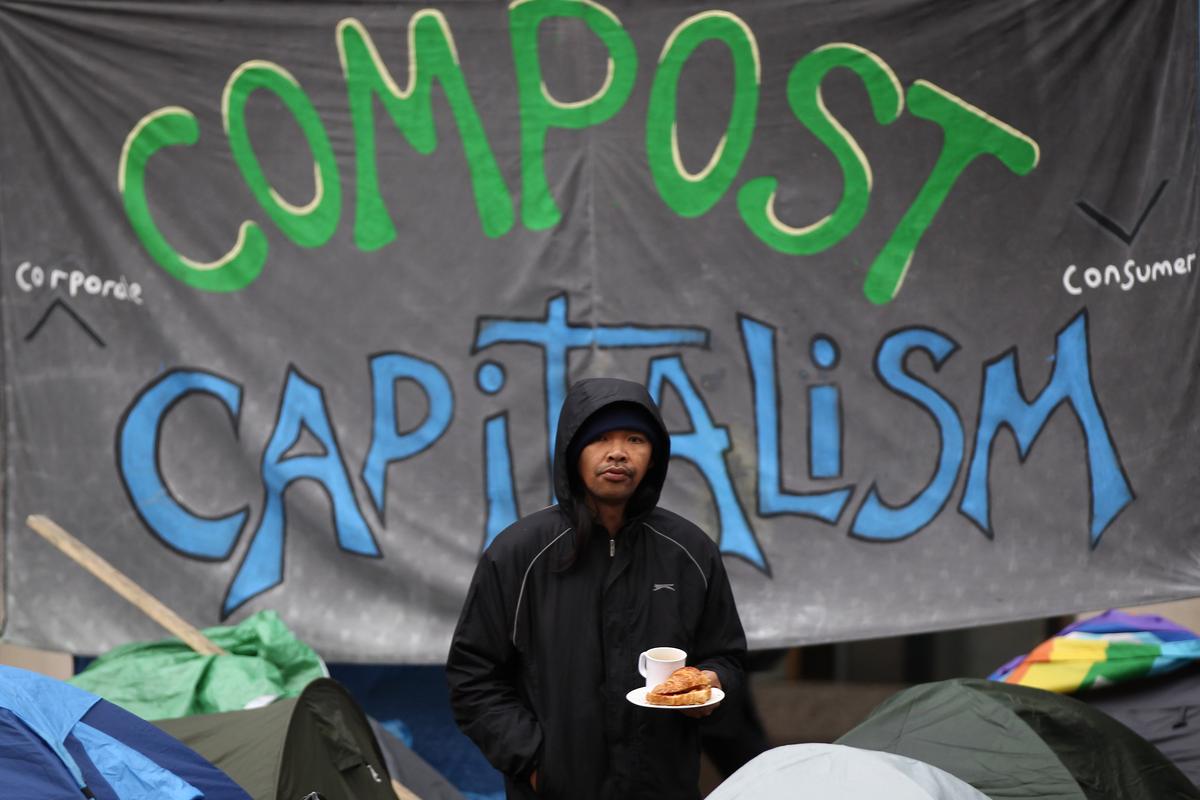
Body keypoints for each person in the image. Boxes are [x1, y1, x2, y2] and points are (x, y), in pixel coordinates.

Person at [446, 377, 747, 799]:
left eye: (635, 438)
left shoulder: (689, 550)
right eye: (600, 438)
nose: (618, 452)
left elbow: (727, 654)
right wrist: (535, 763)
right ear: (573, 452)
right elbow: (472, 675)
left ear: (655, 454)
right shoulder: (519, 552)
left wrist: (714, 684)